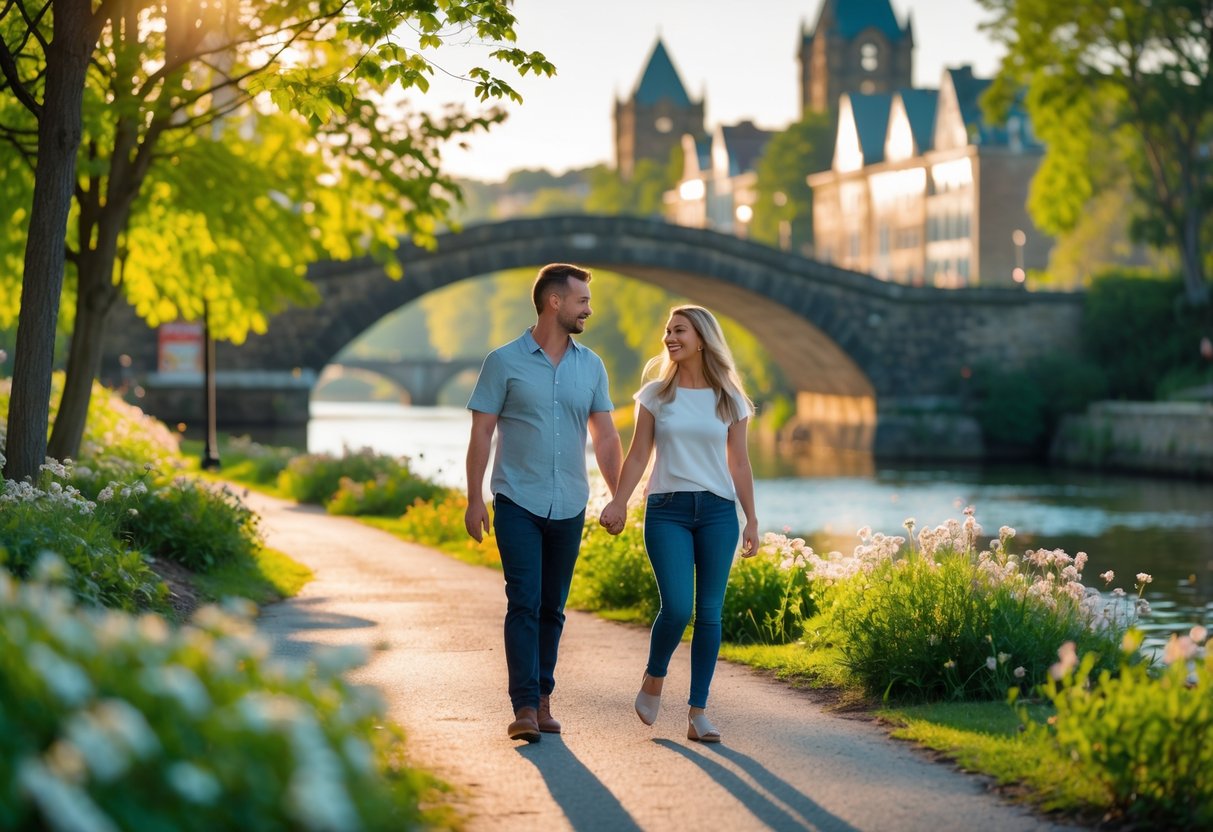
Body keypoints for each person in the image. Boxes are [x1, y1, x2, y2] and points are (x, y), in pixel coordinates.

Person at [465, 262, 622, 743]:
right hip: (517, 499)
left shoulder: (591, 365)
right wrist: (475, 499)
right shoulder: (504, 361)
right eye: (582, 302)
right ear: (555, 302)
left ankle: (545, 697)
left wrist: (619, 496)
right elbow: (481, 434)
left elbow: (607, 436)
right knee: (525, 601)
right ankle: (525, 706)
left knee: (553, 607)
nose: (588, 311)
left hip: (570, 503)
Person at [598, 304, 758, 744]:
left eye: (679, 330)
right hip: (666, 509)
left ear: (702, 338)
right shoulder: (655, 395)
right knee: (678, 607)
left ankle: (698, 713)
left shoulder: (731, 399)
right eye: (668, 331)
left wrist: (752, 520)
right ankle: (654, 678)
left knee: (709, 614)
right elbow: (637, 454)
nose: (670, 337)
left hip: (719, 513)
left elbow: (740, 463)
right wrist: (619, 501)